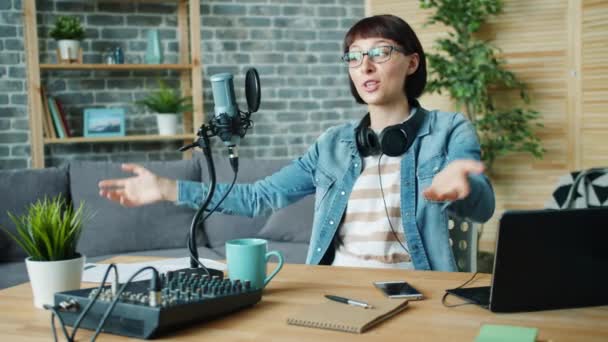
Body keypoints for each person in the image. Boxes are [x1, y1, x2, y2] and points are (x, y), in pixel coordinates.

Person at [99, 14, 495, 272]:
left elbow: (483, 207)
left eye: (380, 52)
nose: (366, 66)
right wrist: (167, 188)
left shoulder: (448, 130)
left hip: (418, 289)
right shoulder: (334, 145)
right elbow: (259, 197)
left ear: (412, 62)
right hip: (337, 288)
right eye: (354, 57)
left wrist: (463, 188)